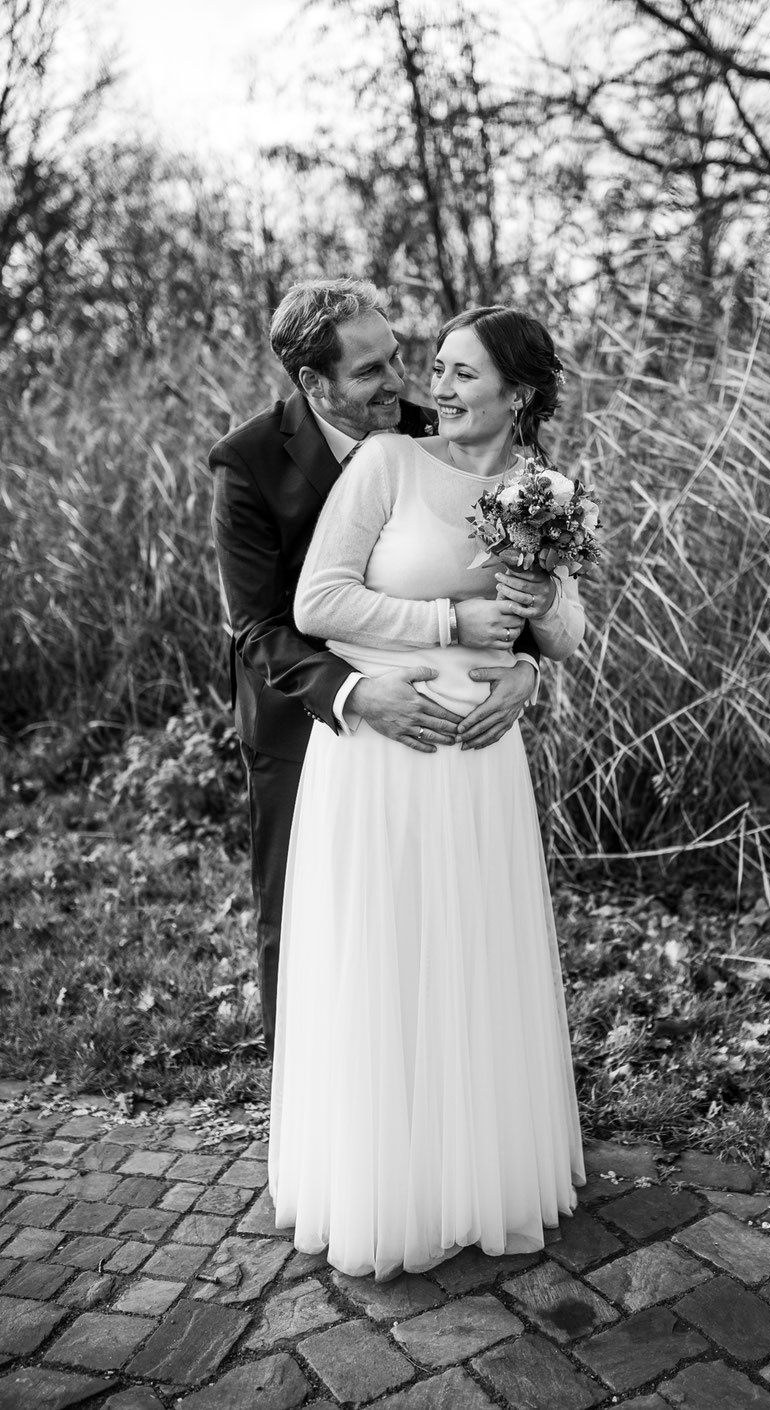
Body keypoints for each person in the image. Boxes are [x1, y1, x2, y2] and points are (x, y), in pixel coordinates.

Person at [269, 305, 586, 1279]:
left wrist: (530, 643)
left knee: (469, 954)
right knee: (386, 952)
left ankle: (474, 1176)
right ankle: (383, 1185)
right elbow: (315, 603)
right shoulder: (385, 468)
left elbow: (565, 634)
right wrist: (450, 617)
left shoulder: (543, 489)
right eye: (435, 369)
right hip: (380, 745)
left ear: (517, 394)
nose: (434, 388)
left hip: (479, 756)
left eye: (459, 373)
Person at [208, 279, 540, 1056]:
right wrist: (356, 696)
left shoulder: (432, 434)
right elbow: (258, 625)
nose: (400, 383)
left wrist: (525, 667)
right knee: (302, 918)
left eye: (396, 357)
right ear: (313, 383)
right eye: (369, 373)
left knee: (427, 919)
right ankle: (315, 1110)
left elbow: (491, 574)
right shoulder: (249, 462)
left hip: (437, 730)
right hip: (302, 723)